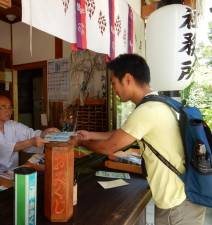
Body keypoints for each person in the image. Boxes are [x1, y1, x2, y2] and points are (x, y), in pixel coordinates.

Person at [69, 54, 206, 225]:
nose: (113, 89)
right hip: (184, 196)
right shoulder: (162, 103)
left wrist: (80, 142)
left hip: (177, 204)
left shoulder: (146, 111)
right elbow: (123, 133)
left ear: (127, 78)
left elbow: (108, 147)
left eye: (113, 83)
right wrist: (90, 135)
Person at [0, 94, 59, 185]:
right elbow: (4, 148)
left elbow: (30, 134)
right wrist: (31, 142)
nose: (8, 111)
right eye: (4, 107)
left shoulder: (12, 125)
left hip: (11, 175)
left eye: (10, 107)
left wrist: (44, 133)